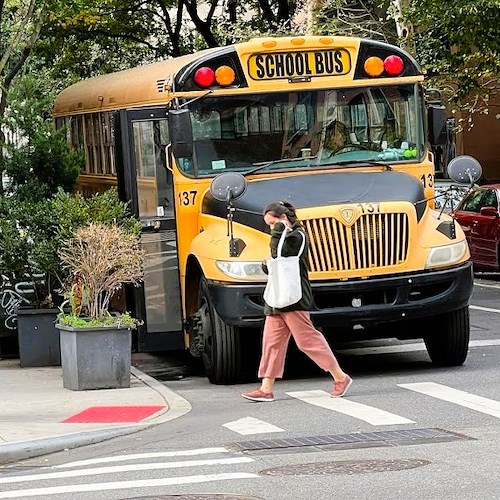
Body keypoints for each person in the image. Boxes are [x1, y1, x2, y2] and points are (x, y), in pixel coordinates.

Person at [242, 201, 352, 402]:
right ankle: (266, 388)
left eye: (273, 223)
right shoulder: (285, 236)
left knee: (307, 340)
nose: (271, 228)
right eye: (269, 225)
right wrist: (268, 263)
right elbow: (276, 263)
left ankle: (340, 376)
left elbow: (279, 254)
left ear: (283, 219)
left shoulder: (297, 236)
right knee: (271, 343)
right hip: (277, 298)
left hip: (294, 297)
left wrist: (278, 234)